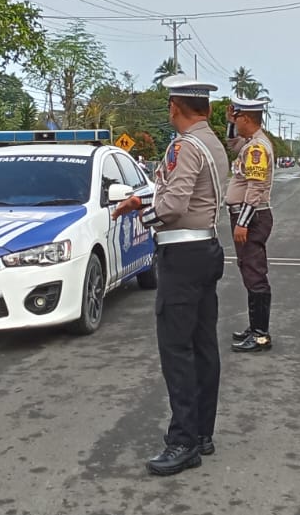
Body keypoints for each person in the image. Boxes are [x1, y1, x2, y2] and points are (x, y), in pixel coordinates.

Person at [112, 75, 229, 477]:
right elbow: (179, 191)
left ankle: (182, 442)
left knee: (176, 350)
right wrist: (140, 197)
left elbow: (174, 205)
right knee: (202, 345)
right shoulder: (212, 143)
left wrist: (142, 215)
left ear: (174, 108)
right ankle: (202, 434)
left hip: (181, 253)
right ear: (208, 110)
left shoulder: (183, 145)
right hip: (207, 248)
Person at [225, 97, 276, 353]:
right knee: (249, 270)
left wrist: (242, 223)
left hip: (252, 217)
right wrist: (229, 124)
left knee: (255, 273)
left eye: (237, 118)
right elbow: (233, 145)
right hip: (250, 216)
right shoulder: (250, 144)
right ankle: (255, 327)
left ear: (246, 118)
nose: (236, 122)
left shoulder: (257, 149)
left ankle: (260, 334)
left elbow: (255, 190)